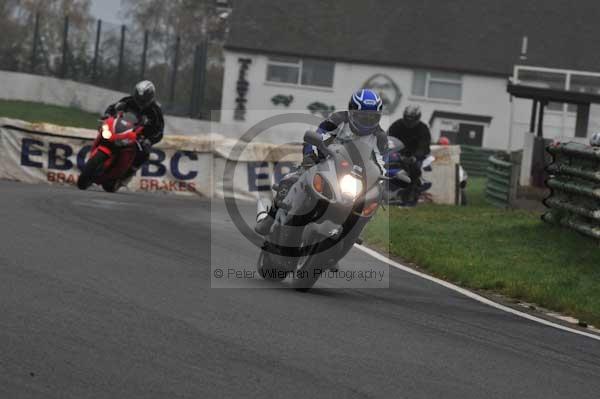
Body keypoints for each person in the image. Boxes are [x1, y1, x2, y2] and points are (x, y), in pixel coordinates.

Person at [103, 80, 165, 182]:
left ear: (150, 97)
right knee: (104, 132)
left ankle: (128, 174)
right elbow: (113, 108)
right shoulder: (128, 100)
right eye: (138, 98)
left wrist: (149, 140)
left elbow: (160, 131)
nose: (140, 102)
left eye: (143, 100)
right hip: (121, 128)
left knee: (144, 153)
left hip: (139, 137)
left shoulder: (155, 111)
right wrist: (107, 115)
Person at [387, 105, 432, 204]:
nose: (409, 122)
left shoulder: (423, 129)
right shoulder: (397, 125)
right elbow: (387, 139)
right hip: (396, 153)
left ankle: (410, 194)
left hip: (415, 157)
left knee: (414, 170)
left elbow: (424, 145)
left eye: (412, 119)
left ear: (417, 118)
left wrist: (415, 156)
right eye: (407, 118)